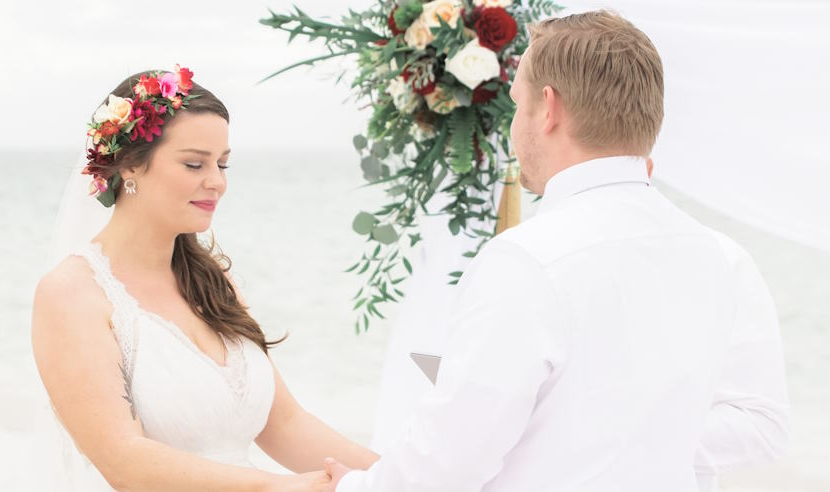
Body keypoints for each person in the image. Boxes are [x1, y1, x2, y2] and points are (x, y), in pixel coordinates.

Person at [323, 11, 789, 492]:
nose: (513, 127)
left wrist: (352, 486)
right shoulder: (721, 257)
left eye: (517, 102)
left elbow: (447, 466)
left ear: (548, 108)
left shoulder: (526, 261)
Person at [31, 66, 377, 491]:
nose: (216, 182)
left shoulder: (214, 283)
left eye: (223, 164)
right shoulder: (72, 294)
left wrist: (402, 476)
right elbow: (124, 460)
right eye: (195, 163)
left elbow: (285, 424)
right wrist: (282, 487)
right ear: (132, 166)